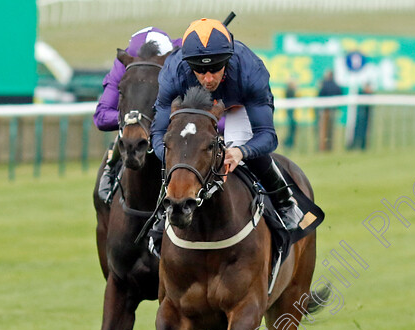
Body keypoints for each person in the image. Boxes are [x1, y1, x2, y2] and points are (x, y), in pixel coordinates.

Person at [151, 18, 304, 231]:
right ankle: (163, 211)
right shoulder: (173, 73)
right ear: (188, 64)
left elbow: (267, 135)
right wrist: (171, 155)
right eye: (199, 69)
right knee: (179, 150)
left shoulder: (250, 71)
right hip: (193, 109)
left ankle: (284, 202)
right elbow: (158, 133)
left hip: (236, 106)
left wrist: (242, 151)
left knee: (244, 150)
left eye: (215, 68)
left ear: (228, 59)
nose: (208, 78)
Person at [95, 27, 180, 203]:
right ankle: (111, 169)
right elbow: (101, 117)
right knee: (130, 131)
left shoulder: (178, 58)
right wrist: (135, 119)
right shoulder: (123, 65)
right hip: (135, 130)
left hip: (169, 133)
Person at [317, 70, 342, 152]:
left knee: (323, 131)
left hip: (325, 111)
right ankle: (329, 147)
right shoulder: (336, 85)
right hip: (333, 110)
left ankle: (323, 148)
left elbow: (320, 95)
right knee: (331, 130)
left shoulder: (325, 85)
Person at [349, 82, 373, 151]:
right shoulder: (361, 93)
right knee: (357, 131)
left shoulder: (368, 94)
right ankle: (353, 145)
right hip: (360, 116)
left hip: (365, 117)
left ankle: (362, 145)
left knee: (363, 132)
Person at [283, 80, 298, 149]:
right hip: (290, 113)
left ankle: (288, 143)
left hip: (291, 113)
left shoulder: (289, 91)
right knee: (292, 128)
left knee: (293, 128)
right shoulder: (289, 91)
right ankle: (287, 143)